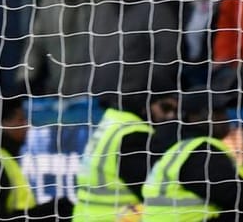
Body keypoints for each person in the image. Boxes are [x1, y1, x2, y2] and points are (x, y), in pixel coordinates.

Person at [137, 92, 243, 220]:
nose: (224, 117)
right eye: (216, 112)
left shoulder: (183, 146)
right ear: (193, 117)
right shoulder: (198, 152)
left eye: (223, 111)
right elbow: (237, 195)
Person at [74, 91, 179, 220]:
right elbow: (152, 191)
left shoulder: (113, 121)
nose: (170, 115)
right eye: (166, 107)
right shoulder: (133, 135)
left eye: (176, 110)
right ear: (147, 104)